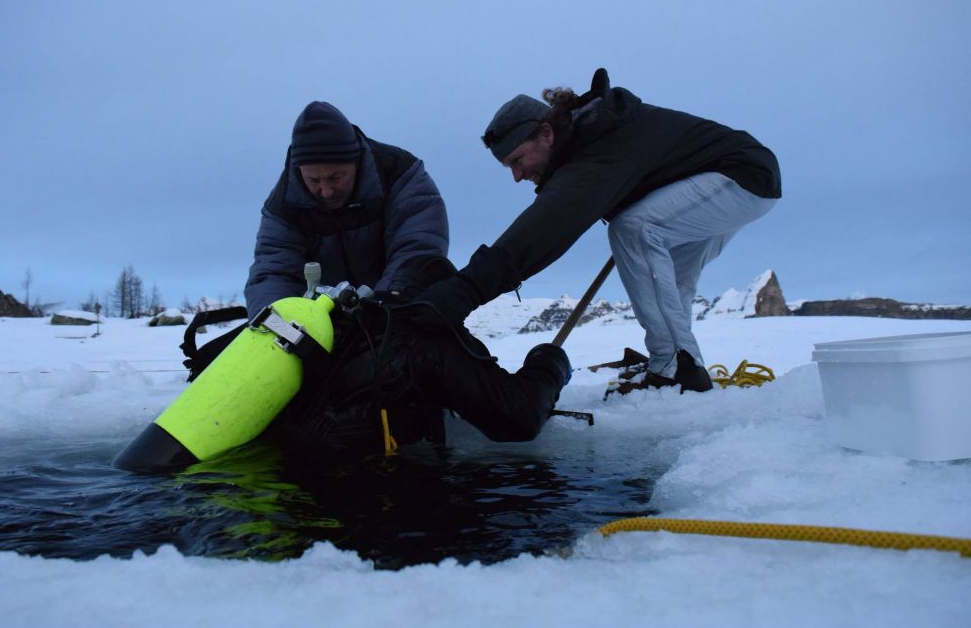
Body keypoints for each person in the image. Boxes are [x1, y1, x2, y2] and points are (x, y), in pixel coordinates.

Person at [409, 68, 781, 393]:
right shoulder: (591, 139)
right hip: (738, 178)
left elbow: (551, 222)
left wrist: (466, 290)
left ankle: (674, 368)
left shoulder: (599, 142)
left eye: (518, 160)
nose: (518, 175)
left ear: (546, 134)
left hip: (740, 173)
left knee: (633, 229)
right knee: (672, 274)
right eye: (509, 166)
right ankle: (684, 368)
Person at [260, 255, 573, 457]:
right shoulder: (428, 335)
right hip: (362, 491)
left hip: (281, 471)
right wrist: (550, 363)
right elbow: (517, 416)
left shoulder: (343, 321)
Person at [244, 101, 449, 320]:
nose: (326, 190)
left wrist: (384, 306)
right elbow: (274, 272)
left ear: (357, 161)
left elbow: (417, 252)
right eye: (313, 180)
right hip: (323, 323)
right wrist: (276, 323)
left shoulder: (401, 176)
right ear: (299, 170)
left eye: (335, 177)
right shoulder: (284, 204)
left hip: (396, 311)